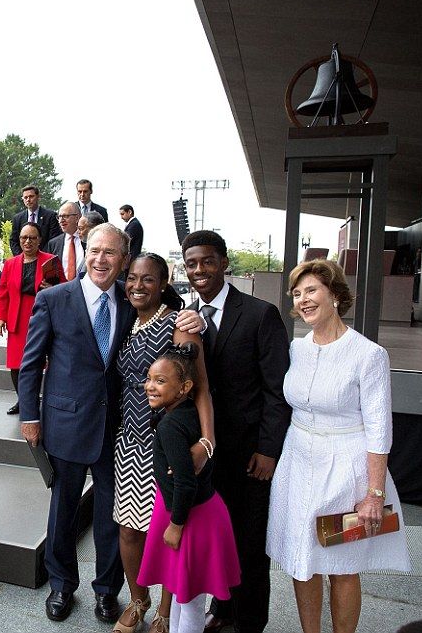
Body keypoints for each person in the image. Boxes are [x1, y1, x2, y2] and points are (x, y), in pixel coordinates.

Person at [267, 259, 410, 633]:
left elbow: (379, 429)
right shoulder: (296, 348)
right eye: (297, 294)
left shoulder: (368, 354)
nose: (303, 300)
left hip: (346, 471)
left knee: (343, 565)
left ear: (334, 295)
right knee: (301, 560)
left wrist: (374, 494)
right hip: (297, 464)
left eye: (311, 290)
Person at [18, 223, 133, 624]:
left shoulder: (131, 299)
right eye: (95, 250)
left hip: (116, 428)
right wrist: (29, 416)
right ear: (85, 252)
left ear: (124, 260)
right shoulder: (54, 298)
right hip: (65, 422)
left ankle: (107, 591)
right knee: (63, 511)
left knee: (111, 515)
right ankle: (61, 585)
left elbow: (171, 306)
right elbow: (31, 362)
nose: (101, 259)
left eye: (110, 252)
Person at [181, 230, 291, 633]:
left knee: (248, 544)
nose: (199, 270)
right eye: (191, 263)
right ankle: (223, 608)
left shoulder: (261, 314)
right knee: (215, 540)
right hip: (205, 455)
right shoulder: (186, 315)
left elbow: (277, 390)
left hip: (249, 456)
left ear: (224, 263)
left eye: (207, 261)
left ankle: (249, 622)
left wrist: (269, 449)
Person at [112, 253, 211, 633]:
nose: (138, 285)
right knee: (128, 530)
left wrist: (207, 442)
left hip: (167, 448)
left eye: (148, 279)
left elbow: (201, 389)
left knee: (169, 533)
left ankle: (165, 613)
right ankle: (138, 600)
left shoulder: (179, 324)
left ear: (163, 283)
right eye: (132, 278)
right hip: (128, 442)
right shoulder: (127, 320)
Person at [137, 345, 240, 633]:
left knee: (190, 598)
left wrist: (176, 525)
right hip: (202, 511)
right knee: (182, 590)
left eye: (160, 381)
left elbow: (185, 481)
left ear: (184, 388)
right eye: (149, 378)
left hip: (191, 519)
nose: (150, 386)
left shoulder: (171, 426)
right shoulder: (188, 414)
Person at [0, 222, 60, 415]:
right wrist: (0, 318)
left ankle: (33, 400)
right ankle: (23, 401)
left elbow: (64, 287)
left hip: (41, 317)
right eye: (24, 238)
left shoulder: (51, 261)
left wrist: (53, 288)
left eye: (32, 237)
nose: (27, 241)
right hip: (17, 317)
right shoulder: (10, 263)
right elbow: (3, 293)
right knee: (16, 364)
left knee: (36, 362)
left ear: (39, 240)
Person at [9, 185, 60, 256]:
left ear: (38, 197)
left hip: (45, 258)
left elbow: (53, 240)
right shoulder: (17, 218)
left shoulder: (51, 216)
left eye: (31, 196)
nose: (28, 200)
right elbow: (14, 241)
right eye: (25, 197)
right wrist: (23, 257)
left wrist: (41, 256)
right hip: (24, 259)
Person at [44, 202, 85, 282]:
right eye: (59, 217)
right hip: (61, 288)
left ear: (77, 218)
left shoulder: (88, 240)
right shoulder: (53, 244)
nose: (61, 220)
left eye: (65, 216)